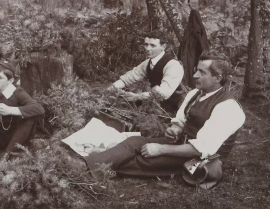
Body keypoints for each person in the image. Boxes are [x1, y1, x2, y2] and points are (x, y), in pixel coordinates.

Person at [74, 54, 244, 179]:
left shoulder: (227, 108)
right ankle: (93, 162)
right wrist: (176, 128)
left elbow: (201, 149)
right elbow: (181, 120)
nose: (195, 76)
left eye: (202, 72)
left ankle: (84, 169)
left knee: (141, 161)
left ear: (217, 78)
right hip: (182, 144)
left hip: (199, 160)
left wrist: (160, 149)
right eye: (196, 70)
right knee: (134, 143)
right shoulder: (196, 93)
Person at [111, 31, 185, 113]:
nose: (147, 49)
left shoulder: (173, 65)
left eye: (152, 45)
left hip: (171, 110)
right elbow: (129, 78)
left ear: (163, 46)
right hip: (153, 103)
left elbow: (163, 94)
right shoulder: (148, 63)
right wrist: (111, 89)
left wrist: (138, 96)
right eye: (146, 44)